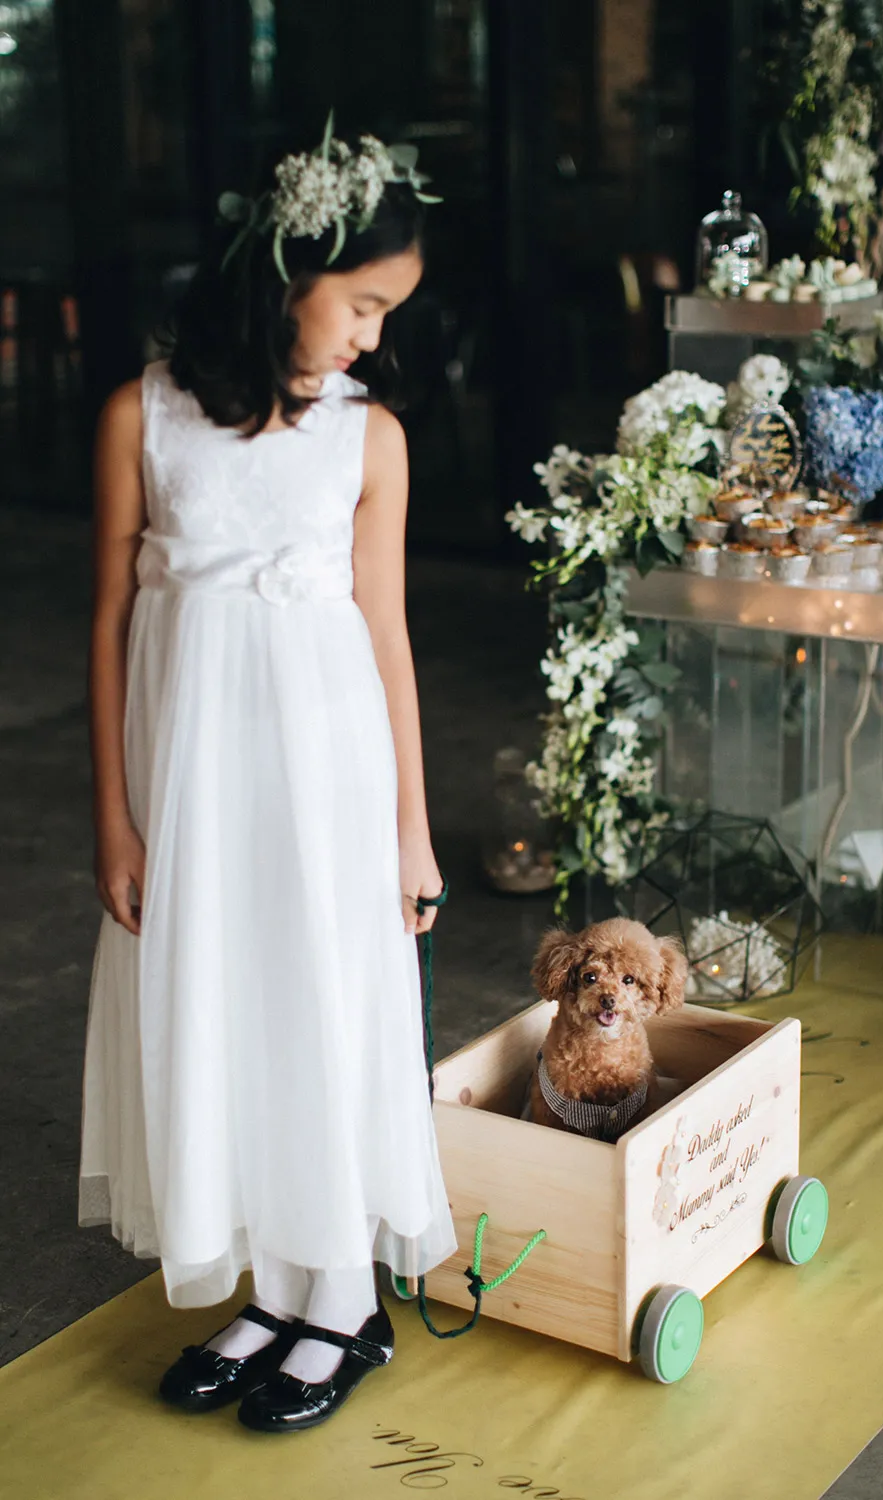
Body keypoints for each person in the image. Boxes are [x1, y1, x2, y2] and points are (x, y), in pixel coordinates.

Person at [79, 119, 458, 1433]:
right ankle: (268, 1280)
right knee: (223, 1002)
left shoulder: (369, 440)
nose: (369, 334)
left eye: (384, 313)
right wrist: (115, 818)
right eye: (359, 303)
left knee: (321, 1000)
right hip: (191, 773)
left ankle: (342, 1296)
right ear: (286, 269)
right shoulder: (144, 416)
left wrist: (411, 827)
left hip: (328, 770)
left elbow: (389, 638)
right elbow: (111, 623)